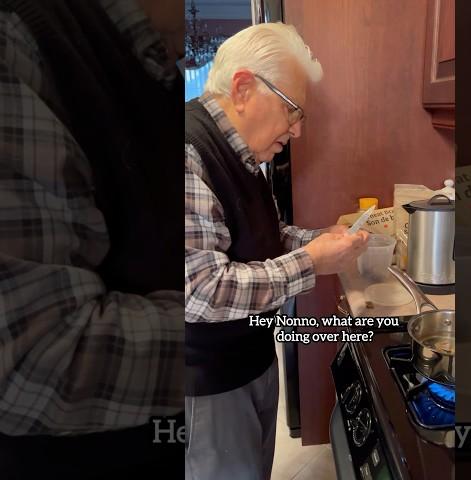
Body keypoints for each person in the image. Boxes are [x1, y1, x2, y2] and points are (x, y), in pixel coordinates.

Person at [0, 1, 184, 478]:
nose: (298, 129)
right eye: (292, 110)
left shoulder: (172, 69)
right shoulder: (20, 40)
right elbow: (34, 354)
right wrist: (227, 323)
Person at [184, 22, 369, 480]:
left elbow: (264, 236)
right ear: (244, 87)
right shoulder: (187, 152)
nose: (298, 130)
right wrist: (312, 262)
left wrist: (320, 239)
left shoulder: (245, 154)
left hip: (250, 360)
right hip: (206, 384)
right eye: (292, 110)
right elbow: (200, 290)